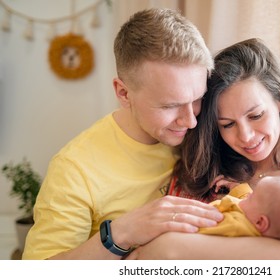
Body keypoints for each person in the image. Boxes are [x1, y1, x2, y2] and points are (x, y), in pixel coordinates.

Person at [22, 8, 224, 260]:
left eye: (197, 98)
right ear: (123, 93)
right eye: (170, 105)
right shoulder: (74, 169)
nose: (191, 120)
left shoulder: (205, 130)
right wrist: (120, 233)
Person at [128, 38, 280, 260]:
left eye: (256, 115)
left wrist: (172, 246)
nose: (246, 136)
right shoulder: (202, 172)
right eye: (228, 124)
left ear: (279, 100)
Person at [198, 176, 280, 246]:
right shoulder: (253, 216)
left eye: (252, 197)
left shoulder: (233, 227)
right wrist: (237, 188)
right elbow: (249, 203)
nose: (248, 195)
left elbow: (197, 232)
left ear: (260, 222)